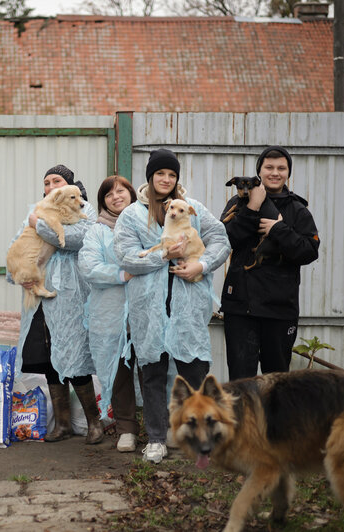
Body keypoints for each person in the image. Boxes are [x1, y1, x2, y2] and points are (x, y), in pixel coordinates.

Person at [114, 149, 230, 463]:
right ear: (150, 176)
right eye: (160, 174)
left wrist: (202, 266)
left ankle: (197, 439)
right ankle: (155, 438)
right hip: (148, 307)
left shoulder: (195, 209)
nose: (166, 179)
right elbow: (125, 257)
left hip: (187, 304)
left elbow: (221, 239)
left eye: (172, 175)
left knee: (194, 372)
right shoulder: (132, 215)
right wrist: (162, 256)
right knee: (152, 371)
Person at [8, 164, 103, 444]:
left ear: (69, 185)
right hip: (39, 294)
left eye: (57, 180)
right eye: (47, 182)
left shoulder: (84, 210)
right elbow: (17, 244)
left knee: (75, 357)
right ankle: (62, 425)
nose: (51, 186)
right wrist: (19, 274)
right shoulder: (37, 209)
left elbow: (77, 239)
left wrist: (38, 224)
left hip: (70, 296)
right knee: (47, 359)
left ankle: (94, 422)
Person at [220, 145, 319, 380]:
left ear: (288, 173)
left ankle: (274, 419)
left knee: (277, 381)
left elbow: (308, 252)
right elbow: (225, 240)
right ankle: (244, 419)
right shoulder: (239, 202)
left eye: (281, 168)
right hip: (241, 306)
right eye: (269, 167)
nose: (275, 173)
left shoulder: (297, 209)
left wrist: (278, 229)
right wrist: (253, 207)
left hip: (279, 308)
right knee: (241, 381)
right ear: (259, 172)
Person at [79, 175, 142, 453]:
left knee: (154, 370)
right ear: (102, 202)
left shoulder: (147, 222)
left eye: (121, 191)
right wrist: (122, 274)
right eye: (109, 194)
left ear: (131, 193)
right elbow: (89, 267)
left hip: (145, 308)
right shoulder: (97, 231)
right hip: (112, 312)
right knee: (120, 373)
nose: (116, 197)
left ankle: (157, 428)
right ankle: (126, 428)